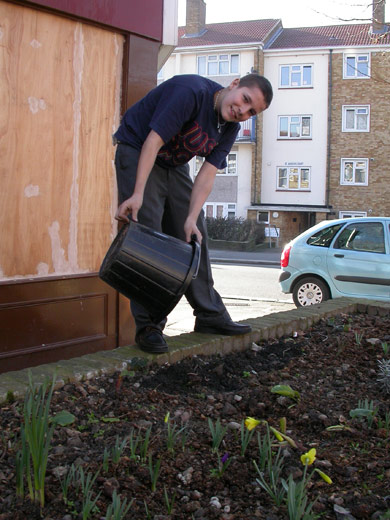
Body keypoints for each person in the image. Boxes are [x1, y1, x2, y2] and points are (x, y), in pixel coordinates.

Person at [114, 73, 273, 354]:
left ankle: (209, 314)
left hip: (173, 164)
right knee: (147, 236)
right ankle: (149, 325)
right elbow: (153, 140)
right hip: (139, 148)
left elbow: (207, 174)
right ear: (234, 84)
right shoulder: (190, 93)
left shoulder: (230, 127)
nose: (242, 111)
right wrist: (137, 194)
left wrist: (189, 218)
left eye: (252, 112)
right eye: (245, 100)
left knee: (194, 235)